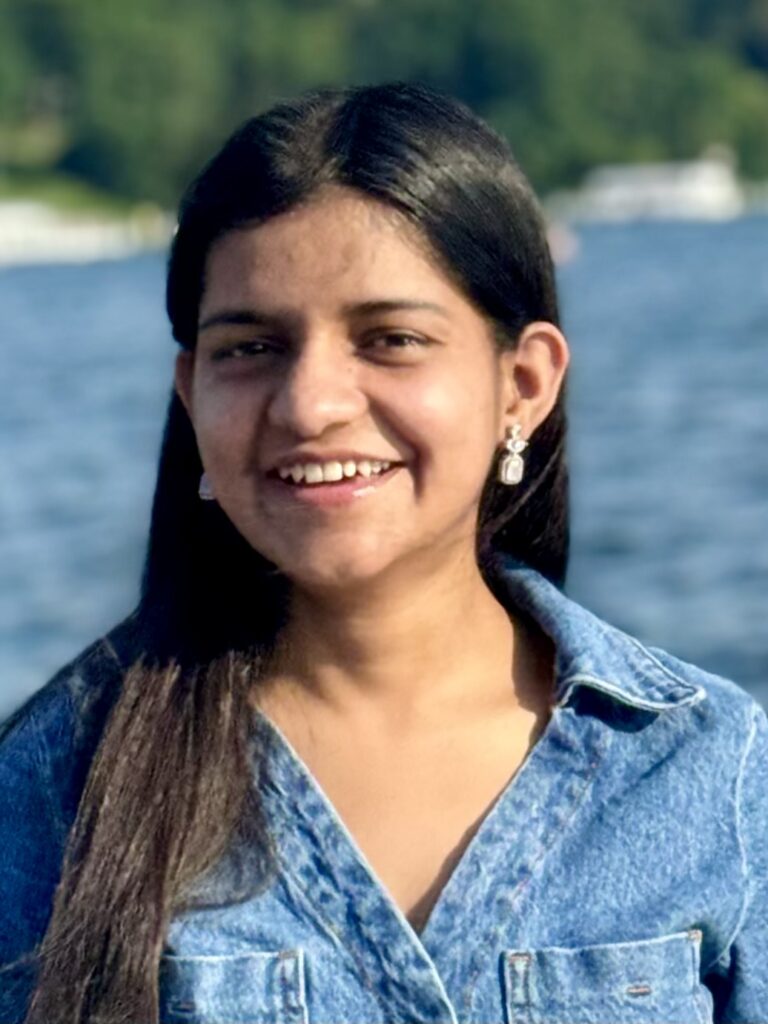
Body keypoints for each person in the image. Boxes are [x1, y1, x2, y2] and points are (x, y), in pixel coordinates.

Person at [0, 82, 765, 1024]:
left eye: (391, 339)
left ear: (524, 384)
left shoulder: (702, 765)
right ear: (191, 393)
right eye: (251, 347)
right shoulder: (60, 781)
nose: (310, 404)